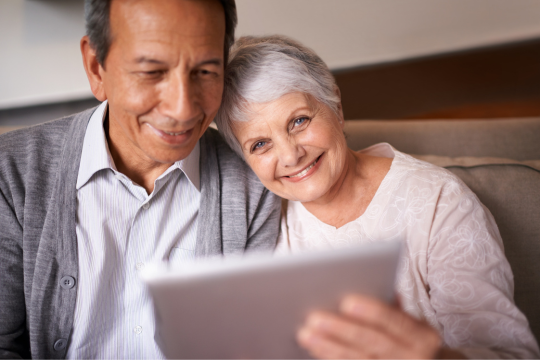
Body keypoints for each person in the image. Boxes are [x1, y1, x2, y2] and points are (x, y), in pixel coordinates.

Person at [214, 35, 540, 359]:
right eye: (260, 144)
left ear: (336, 108)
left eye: (299, 121)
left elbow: (512, 354)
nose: (290, 155)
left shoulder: (439, 202)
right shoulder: (257, 224)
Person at [0, 1, 280, 358]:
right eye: (151, 72)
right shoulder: (11, 173)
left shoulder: (253, 181)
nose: (183, 109)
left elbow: (253, 344)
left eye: (206, 72)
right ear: (96, 67)